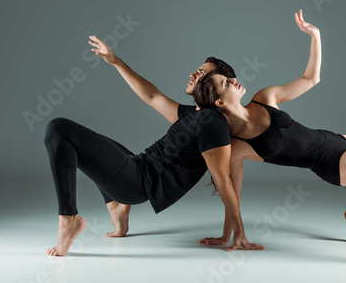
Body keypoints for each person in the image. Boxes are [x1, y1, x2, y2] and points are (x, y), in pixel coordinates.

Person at [193, 10, 346, 267]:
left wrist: (315, 36)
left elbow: (311, 79)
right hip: (335, 164)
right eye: (227, 83)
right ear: (219, 101)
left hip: (334, 140)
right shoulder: (238, 145)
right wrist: (227, 235)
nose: (234, 80)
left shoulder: (264, 97)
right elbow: (233, 193)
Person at [43, 36, 264, 256]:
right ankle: (118, 209)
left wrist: (237, 234)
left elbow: (225, 181)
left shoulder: (212, 125)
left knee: (58, 129)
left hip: (136, 182)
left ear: (216, 88)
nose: (193, 75)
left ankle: (69, 219)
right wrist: (115, 61)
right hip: (138, 166)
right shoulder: (197, 115)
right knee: (101, 147)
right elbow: (152, 96)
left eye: (202, 74)